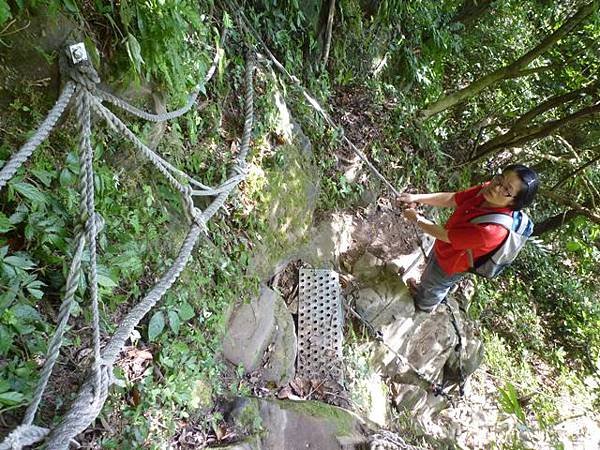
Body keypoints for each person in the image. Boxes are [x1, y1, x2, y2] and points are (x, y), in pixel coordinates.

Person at [397, 164, 539, 312]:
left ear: (514, 203)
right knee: (430, 276)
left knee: (435, 284)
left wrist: (416, 219)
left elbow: (446, 236)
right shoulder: (487, 190)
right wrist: (417, 198)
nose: (497, 187)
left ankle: (422, 308)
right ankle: (422, 289)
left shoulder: (493, 230)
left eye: (506, 190)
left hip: (452, 264)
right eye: (500, 179)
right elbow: (453, 198)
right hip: (445, 248)